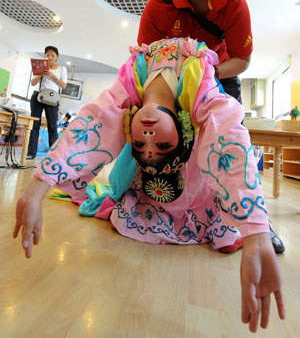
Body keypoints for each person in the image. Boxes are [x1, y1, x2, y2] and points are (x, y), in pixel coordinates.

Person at [14, 37, 285, 333]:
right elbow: (227, 135)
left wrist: (38, 185)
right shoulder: (201, 96)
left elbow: (93, 121)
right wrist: (255, 233)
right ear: (182, 132)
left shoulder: (132, 84)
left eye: (140, 144)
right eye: (163, 144)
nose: (148, 135)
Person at [137, 0, 284, 254]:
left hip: (219, 78)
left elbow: (244, 60)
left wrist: (208, 70)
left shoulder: (233, 3)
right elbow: (143, 67)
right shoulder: (158, 7)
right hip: (171, 87)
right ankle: (174, 212)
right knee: (173, 151)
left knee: (232, 146)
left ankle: (256, 224)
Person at [27, 46, 67, 159]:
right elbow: (33, 83)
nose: (50, 57)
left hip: (52, 99)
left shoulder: (62, 69)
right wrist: (40, 74)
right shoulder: (39, 66)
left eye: (53, 55)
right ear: (45, 56)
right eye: (47, 55)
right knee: (34, 125)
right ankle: (31, 153)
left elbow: (63, 85)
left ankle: (53, 155)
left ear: (57, 57)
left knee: (52, 126)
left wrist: (52, 76)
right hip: (37, 97)